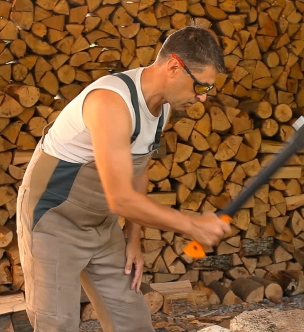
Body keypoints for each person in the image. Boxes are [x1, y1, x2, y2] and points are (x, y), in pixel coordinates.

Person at [16, 25, 232, 332]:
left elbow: (138, 169)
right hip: (53, 221)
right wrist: (191, 224)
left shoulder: (161, 107)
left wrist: (133, 240)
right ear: (174, 66)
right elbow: (120, 198)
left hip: (102, 226)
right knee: (57, 324)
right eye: (202, 87)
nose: (202, 98)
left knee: (131, 321)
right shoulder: (110, 102)